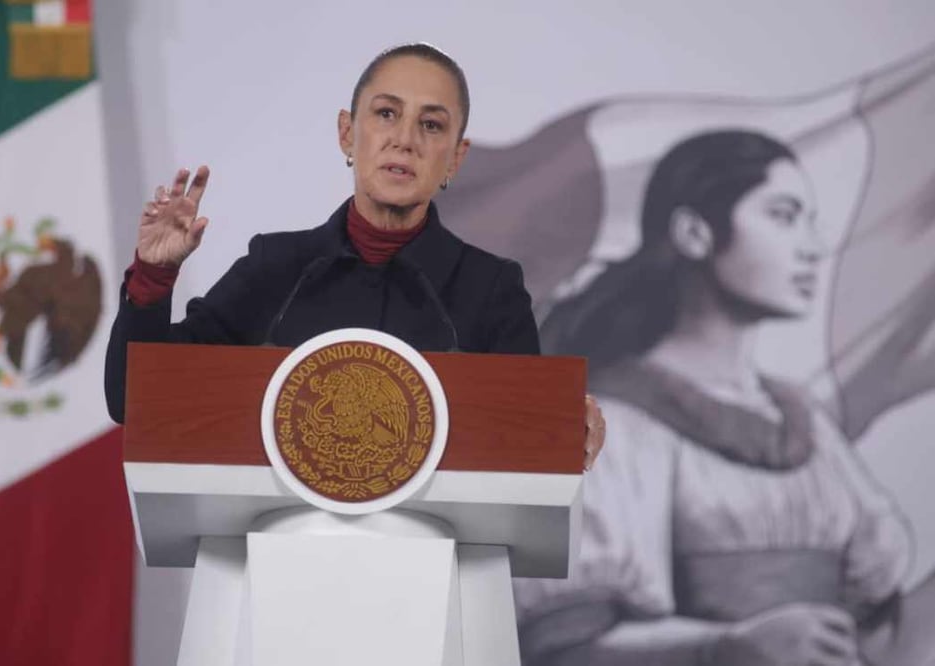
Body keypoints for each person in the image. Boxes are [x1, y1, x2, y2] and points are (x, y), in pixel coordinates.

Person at [515, 130, 935, 666]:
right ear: (695, 233)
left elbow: (880, 641)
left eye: (810, 220)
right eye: (783, 216)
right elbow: (561, 648)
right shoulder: (608, 424)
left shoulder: (806, 427)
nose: (811, 246)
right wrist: (724, 647)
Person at [102, 42, 606, 462]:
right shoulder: (275, 268)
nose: (404, 140)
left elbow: (521, 445)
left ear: (456, 157)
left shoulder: (490, 289)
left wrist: (565, 433)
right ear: (348, 132)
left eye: (431, 125)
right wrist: (153, 277)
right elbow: (135, 400)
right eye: (386, 114)